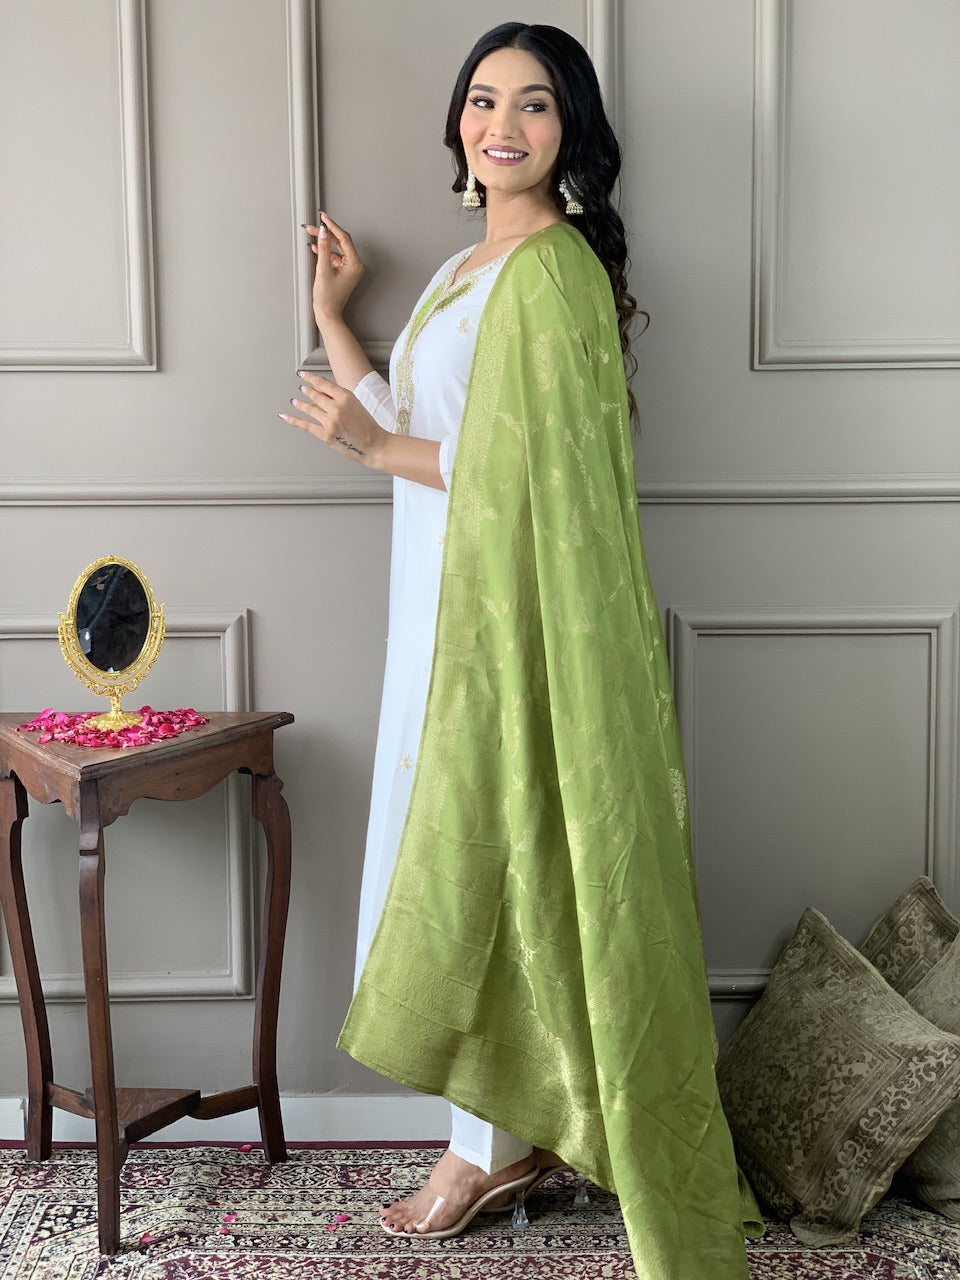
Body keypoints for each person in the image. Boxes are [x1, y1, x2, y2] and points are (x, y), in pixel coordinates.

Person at [280, 21, 761, 1279]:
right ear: (457, 124)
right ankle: (507, 1130)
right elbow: (423, 428)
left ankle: (485, 1149)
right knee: (452, 858)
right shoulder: (465, 267)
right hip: (439, 605)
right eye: (483, 101)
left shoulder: (552, 273)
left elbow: (531, 475)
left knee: (499, 852)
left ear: (572, 133)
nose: (504, 125)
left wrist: (372, 450)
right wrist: (338, 321)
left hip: (506, 618)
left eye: (535, 106)